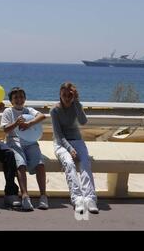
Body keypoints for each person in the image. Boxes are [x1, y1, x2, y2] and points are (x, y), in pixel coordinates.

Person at [50, 82, 98, 214]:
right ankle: (77, 199)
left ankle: (90, 198)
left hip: (77, 140)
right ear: (60, 94)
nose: (66, 97)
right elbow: (59, 135)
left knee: (85, 164)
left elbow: (83, 121)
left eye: (69, 95)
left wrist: (76, 102)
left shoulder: (77, 106)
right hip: (61, 143)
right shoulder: (54, 110)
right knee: (69, 164)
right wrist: (70, 149)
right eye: (64, 94)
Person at [1, 87, 48, 211]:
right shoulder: (8, 112)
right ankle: (25, 196)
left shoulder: (29, 110)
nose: (19, 99)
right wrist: (16, 123)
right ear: (11, 101)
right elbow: (5, 129)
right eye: (15, 97)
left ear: (25, 98)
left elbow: (42, 116)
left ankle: (43, 196)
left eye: (21, 97)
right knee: (21, 165)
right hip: (14, 142)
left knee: (40, 164)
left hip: (30, 142)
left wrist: (29, 123)